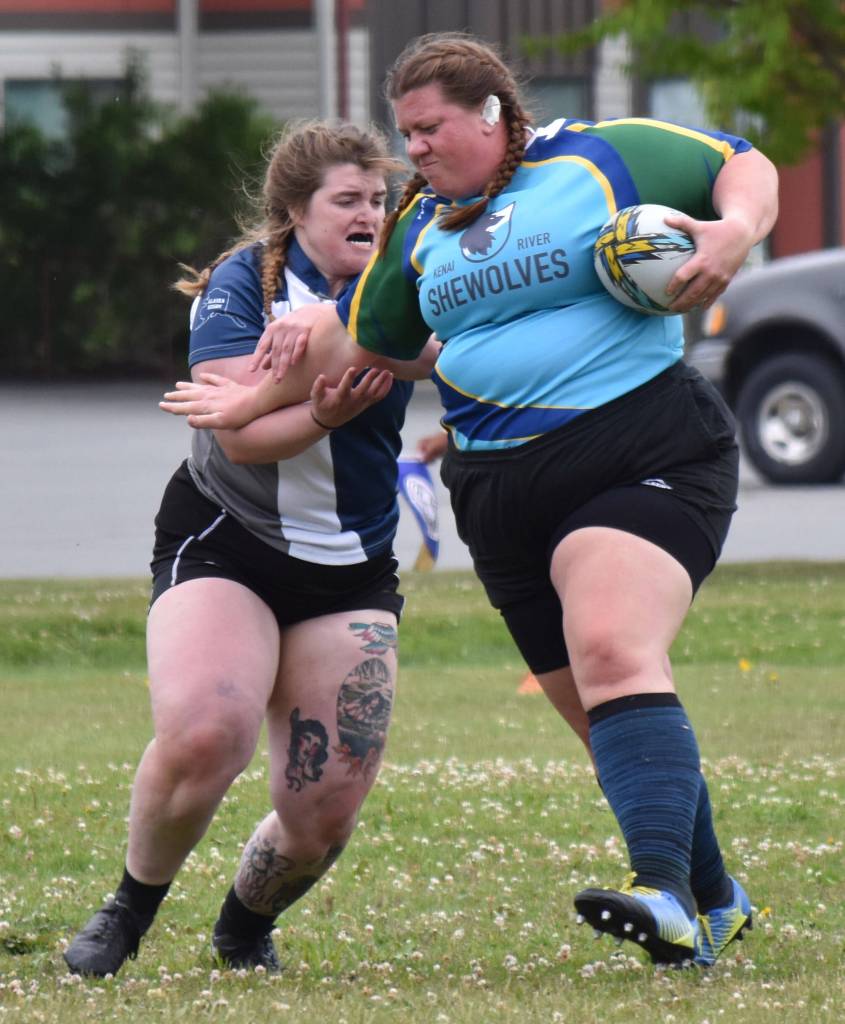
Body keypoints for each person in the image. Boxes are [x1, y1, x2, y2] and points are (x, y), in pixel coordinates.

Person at [160, 32, 779, 968]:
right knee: (604, 714)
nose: (410, 150)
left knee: (613, 650)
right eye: (403, 132)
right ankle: (716, 898)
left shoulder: (595, 157)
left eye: (428, 128)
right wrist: (250, 398)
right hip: (498, 491)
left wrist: (734, 231)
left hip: (639, 449)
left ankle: (665, 898)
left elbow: (741, 163)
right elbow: (360, 337)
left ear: (491, 114)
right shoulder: (421, 226)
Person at [63, 120, 439, 978]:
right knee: (207, 734)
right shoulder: (241, 285)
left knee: (324, 811)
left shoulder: (396, 284)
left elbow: (432, 350)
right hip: (228, 539)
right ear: (294, 212)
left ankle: (241, 927)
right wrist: (319, 408)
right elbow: (239, 434)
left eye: (379, 201)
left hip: (348, 568)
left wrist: (330, 337)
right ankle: (130, 906)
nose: (369, 215)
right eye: (347, 200)